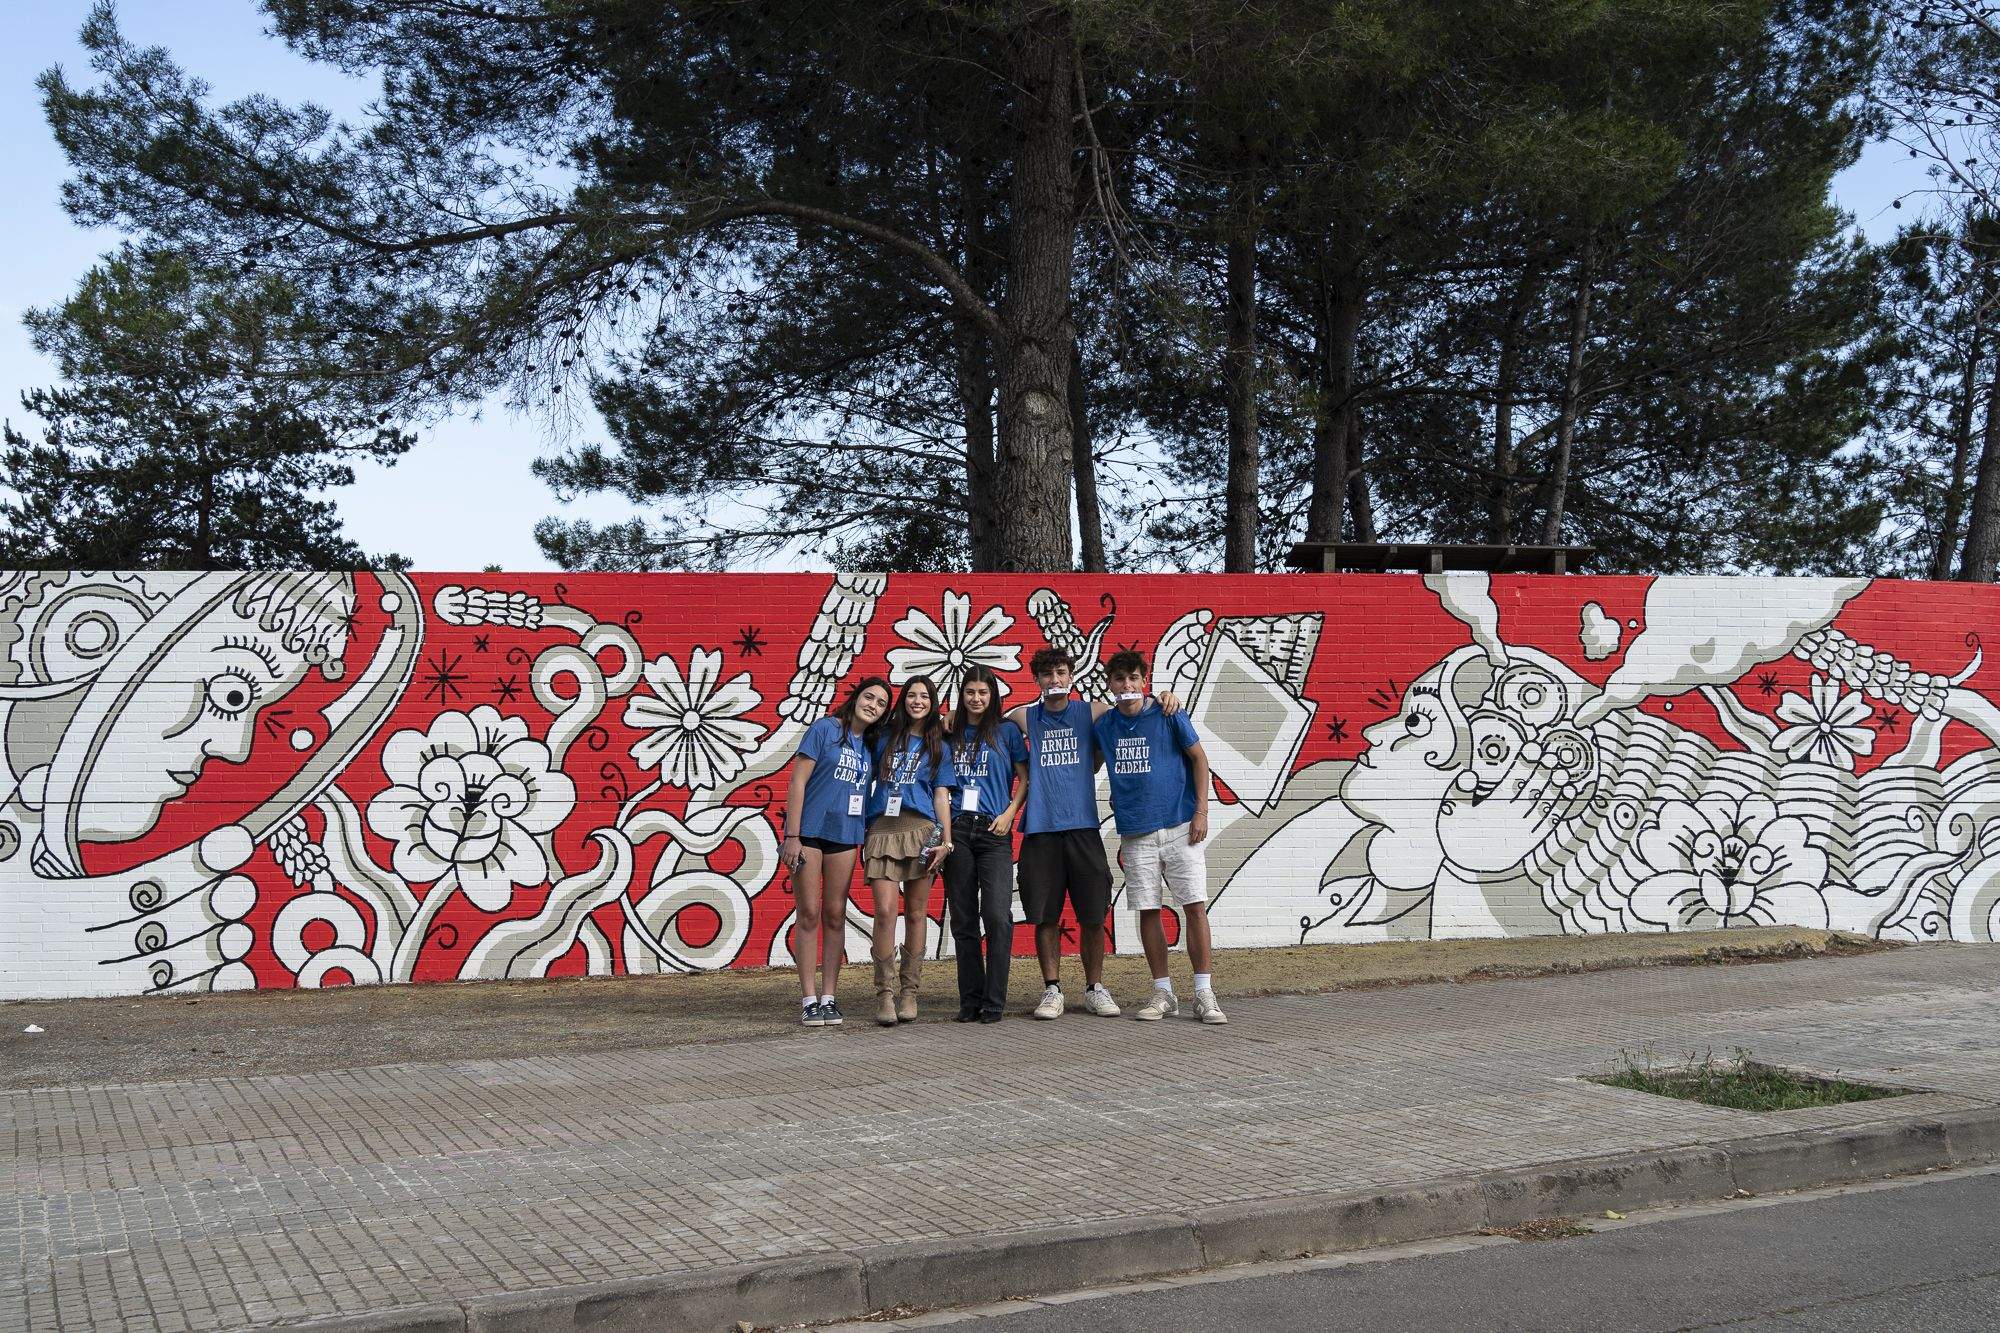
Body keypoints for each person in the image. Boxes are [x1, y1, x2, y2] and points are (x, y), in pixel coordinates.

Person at [1005, 648, 1182, 1020]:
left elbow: (1133, 703)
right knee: (1045, 916)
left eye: (1061, 672)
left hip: (1084, 828)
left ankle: (1094, 988)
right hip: (1040, 829)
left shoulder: (1092, 712)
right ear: (1037, 680)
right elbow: (982, 719)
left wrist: (1164, 697)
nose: (1055, 680)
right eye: (1047, 674)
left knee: (1092, 914)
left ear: (1071, 677)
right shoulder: (1024, 716)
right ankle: (1052, 989)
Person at [1093, 649, 1225, 1024]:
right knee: (1148, 910)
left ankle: (1204, 993)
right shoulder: (1105, 726)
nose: (1127, 685)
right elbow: (1089, 763)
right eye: (1120, 679)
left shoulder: (1168, 712)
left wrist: (1201, 811)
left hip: (1181, 825)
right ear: (1110, 684)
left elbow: (1199, 759)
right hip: (1136, 831)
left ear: (1144, 680)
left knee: (1194, 905)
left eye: (1133, 678)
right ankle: (1163, 992)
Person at [779, 676, 892, 1027]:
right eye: (869, 697)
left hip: (845, 835)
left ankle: (829, 997)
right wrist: (792, 835)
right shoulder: (825, 729)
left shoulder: (870, 746)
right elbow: (797, 781)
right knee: (809, 912)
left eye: (881, 704)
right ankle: (808, 999)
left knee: (834, 914)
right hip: (809, 834)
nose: (873, 705)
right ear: (855, 697)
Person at [863, 675, 959, 1025]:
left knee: (917, 914)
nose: (918, 701)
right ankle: (884, 993)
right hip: (883, 830)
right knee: (885, 911)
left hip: (923, 832)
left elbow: (941, 795)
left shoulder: (939, 746)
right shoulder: (883, 737)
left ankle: (909, 992)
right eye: (912, 695)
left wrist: (946, 841)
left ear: (932, 703)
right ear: (903, 700)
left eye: (925, 696)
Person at [941, 665, 1029, 1024]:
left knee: (996, 915)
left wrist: (1010, 812)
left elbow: (1025, 777)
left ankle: (994, 1001)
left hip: (994, 831)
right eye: (970, 692)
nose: (976, 699)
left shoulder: (1006, 731)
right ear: (961, 695)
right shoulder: (949, 731)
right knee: (963, 920)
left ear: (993, 695)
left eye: (983, 692)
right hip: (958, 830)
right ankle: (970, 1000)